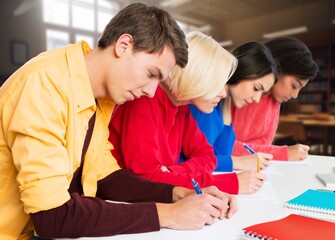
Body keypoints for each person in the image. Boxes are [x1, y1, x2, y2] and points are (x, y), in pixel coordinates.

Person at [0, 3, 237, 240]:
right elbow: (52, 216)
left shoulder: (99, 97)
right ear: (124, 45)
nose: (153, 92)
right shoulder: (46, 84)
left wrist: (178, 194)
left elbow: (106, 177)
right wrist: (169, 214)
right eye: (151, 74)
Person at [109, 31, 265, 195]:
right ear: (198, 75)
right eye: (217, 83)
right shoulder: (142, 101)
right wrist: (222, 183)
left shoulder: (181, 107)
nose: (223, 93)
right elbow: (147, 179)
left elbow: (208, 156)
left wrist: (171, 172)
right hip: (119, 199)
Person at [181, 42, 277, 192]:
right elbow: (191, 162)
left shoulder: (219, 105)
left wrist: (227, 109)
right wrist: (237, 162)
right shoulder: (202, 103)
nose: (257, 99)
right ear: (242, 71)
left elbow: (221, 154)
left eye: (262, 93)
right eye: (256, 88)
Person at [232, 37, 319, 161]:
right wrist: (281, 153)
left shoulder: (275, 99)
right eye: (294, 85)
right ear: (277, 69)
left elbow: (263, 146)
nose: (295, 95)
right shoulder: (243, 93)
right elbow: (224, 147)